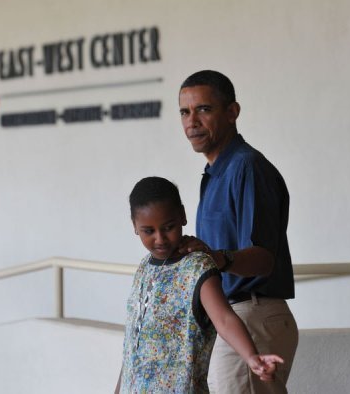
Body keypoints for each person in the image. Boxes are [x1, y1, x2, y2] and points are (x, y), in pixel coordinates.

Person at [177, 70, 298, 393]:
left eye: (204, 109)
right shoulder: (215, 172)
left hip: (252, 314)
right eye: (185, 112)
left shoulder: (247, 167)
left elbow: (263, 260)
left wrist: (217, 258)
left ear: (232, 112)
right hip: (231, 318)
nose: (192, 121)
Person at [115, 176, 283, 394]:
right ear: (135, 226)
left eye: (168, 227)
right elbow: (132, 349)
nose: (160, 239)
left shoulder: (197, 265)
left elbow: (224, 318)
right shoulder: (144, 269)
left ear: (182, 216)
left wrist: (252, 357)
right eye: (149, 231)